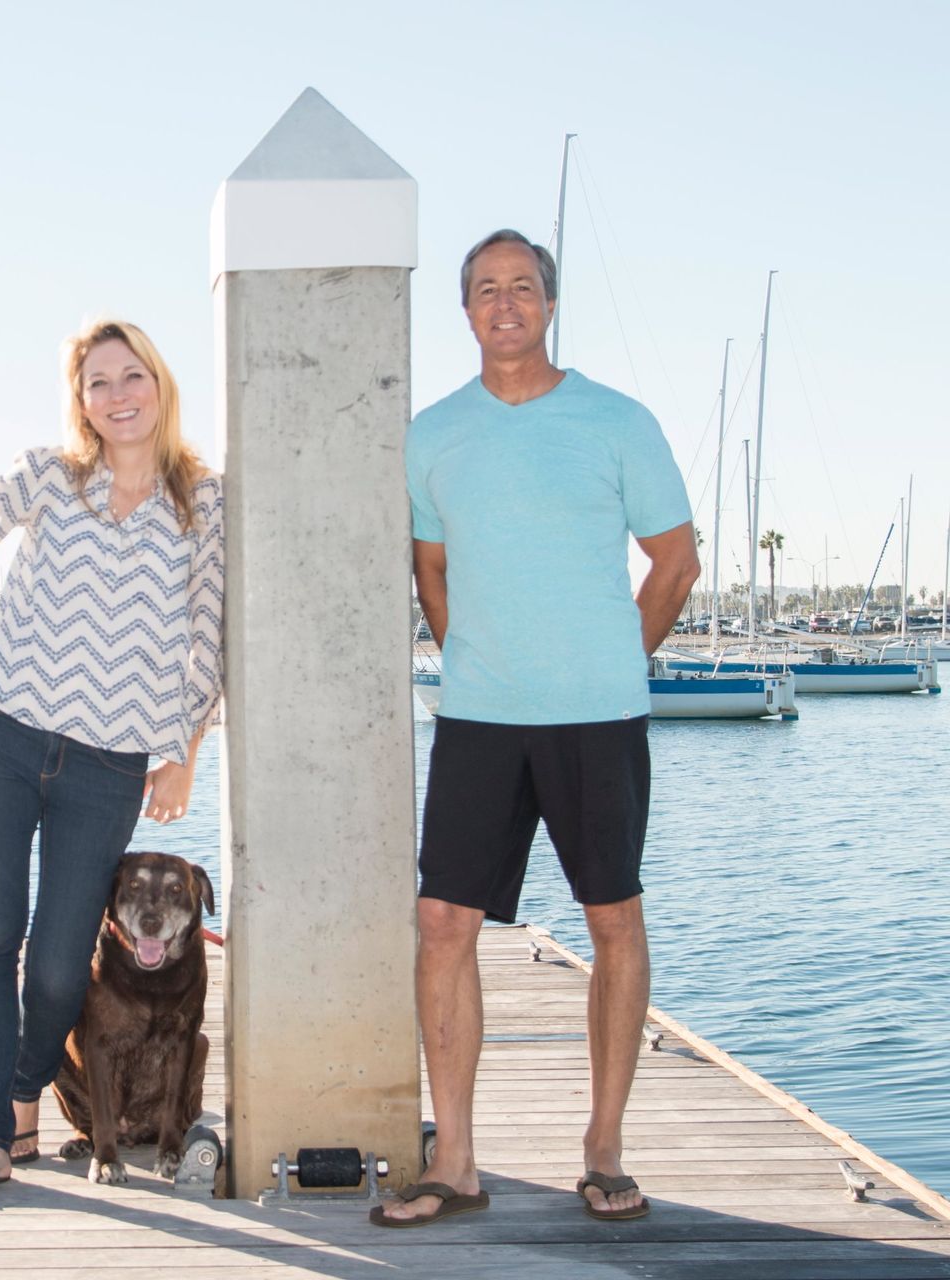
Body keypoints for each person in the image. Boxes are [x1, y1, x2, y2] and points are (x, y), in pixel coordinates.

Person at [375, 230, 699, 1228]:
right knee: (441, 923)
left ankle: (602, 1147)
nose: (504, 302)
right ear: (465, 311)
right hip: (479, 712)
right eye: (485, 289)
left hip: (598, 713)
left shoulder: (616, 421)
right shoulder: (432, 434)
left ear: (548, 305)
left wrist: (611, 658)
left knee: (614, 921)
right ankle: (458, 1161)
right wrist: (474, 649)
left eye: (522, 287)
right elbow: (430, 568)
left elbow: (675, 563)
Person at [0, 319, 225, 1202]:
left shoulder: (203, 501)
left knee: (62, 964)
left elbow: (208, 637)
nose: (119, 395)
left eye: (133, 376)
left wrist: (184, 754)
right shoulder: (49, 474)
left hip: (110, 763)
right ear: (81, 400)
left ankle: (23, 1090)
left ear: (160, 386)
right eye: (99, 382)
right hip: (1, 737)